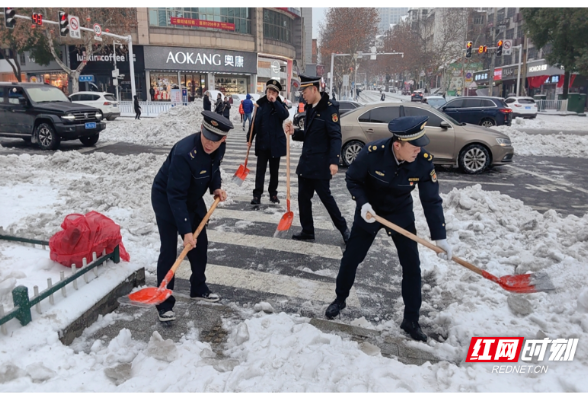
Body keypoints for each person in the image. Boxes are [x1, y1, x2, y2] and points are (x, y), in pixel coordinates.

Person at [325, 116, 454, 343]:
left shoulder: (423, 161)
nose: (419, 149)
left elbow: (431, 200)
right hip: (370, 211)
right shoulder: (372, 152)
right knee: (351, 258)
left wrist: (440, 237)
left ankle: (411, 319)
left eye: (420, 145)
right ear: (398, 145)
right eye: (414, 146)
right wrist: (362, 202)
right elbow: (353, 179)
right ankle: (339, 299)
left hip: (400, 215)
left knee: (412, 266)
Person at [151, 111, 232, 323]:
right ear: (201, 128)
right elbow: (175, 196)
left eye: (215, 139)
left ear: (223, 139)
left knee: (200, 246)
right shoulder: (184, 153)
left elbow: (214, 169)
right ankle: (164, 302)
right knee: (169, 250)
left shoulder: (218, 147)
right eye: (206, 135)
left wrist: (216, 188)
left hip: (193, 199)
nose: (209, 143)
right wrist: (186, 232)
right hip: (167, 199)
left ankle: (198, 287)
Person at [285, 75, 350, 245]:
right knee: (303, 199)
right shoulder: (311, 107)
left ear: (314, 89)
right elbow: (310, 135)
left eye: (304, 91)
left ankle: (344, 229)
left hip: (320, 165)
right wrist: (295, 132)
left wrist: (335, 161)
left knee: (326, 199)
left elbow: (335, 136)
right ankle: (308, 230)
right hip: (306, 163)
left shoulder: (329, 109)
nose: (302, 95)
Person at [248, 80, 290, 205]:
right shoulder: (259, 105)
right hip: (262, 144)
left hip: (275, 145)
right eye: (269, 91)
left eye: (273, 92)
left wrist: (275, 102)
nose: (270, 94)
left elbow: (284, 115)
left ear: (277, 94)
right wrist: (249, 139)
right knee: (260, 171)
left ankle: (273, 194)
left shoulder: (280, 106)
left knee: (274, 171)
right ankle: (257, 195)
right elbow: (254, 123)